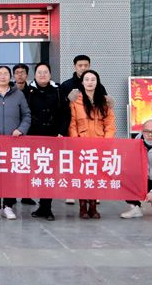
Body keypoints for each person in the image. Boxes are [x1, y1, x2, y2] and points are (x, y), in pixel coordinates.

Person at [0, 65, 31, 220]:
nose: (2, 76)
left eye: (5, 74)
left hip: (13, 141)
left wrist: (21, 130)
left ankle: (9, 206)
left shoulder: (18, 94)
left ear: (10, 77)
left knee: (11, 175)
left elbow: (26, 115)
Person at [59, 55, 107, 205]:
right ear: (75, 66)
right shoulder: (66, 85)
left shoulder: (99, 86)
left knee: (93, 164)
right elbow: (60, 108)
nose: (83, 68)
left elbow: (106, 110)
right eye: (80, 65)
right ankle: (71, 192)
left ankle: (93, 193)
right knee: (74, 164)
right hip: (73, 130)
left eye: (86, 65)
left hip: (95, 133)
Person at [68, 69, 116, 219]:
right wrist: (75, 142)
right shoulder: (76, 101)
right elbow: (72, 124)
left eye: (93, 79)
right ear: (82, 82)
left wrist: (106, 142)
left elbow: (110, 124)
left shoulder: (104, 101)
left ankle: (93, 206)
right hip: (81, 145)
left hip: (99, 144)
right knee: (82, 176)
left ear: (97, 82)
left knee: (96, 176)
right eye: (87, 79)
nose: (90, 82)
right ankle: (83, 206)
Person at [26, 63, 69, 221]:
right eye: (39, 72)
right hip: (34, 137)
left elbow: (65, 113)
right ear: (35, 74)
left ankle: (47, 207)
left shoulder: (58, 90)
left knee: (49, 172)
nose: (42, 75)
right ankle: (41, 205)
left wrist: (61, 132)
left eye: (45, 72)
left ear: (50, 74)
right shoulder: (28, 91)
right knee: (38, 172)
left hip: (53, 137)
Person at [13, 63, 35, 206]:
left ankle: (26, 195)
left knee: (27, 165)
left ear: (27, 75)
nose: (20, 75)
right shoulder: (10, 91)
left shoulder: (32, 91)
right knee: (13, 164)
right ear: (13, 75)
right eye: (17, 72)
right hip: (12, 133)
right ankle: (12, 194)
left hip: (28, 132)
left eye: (22, 72)